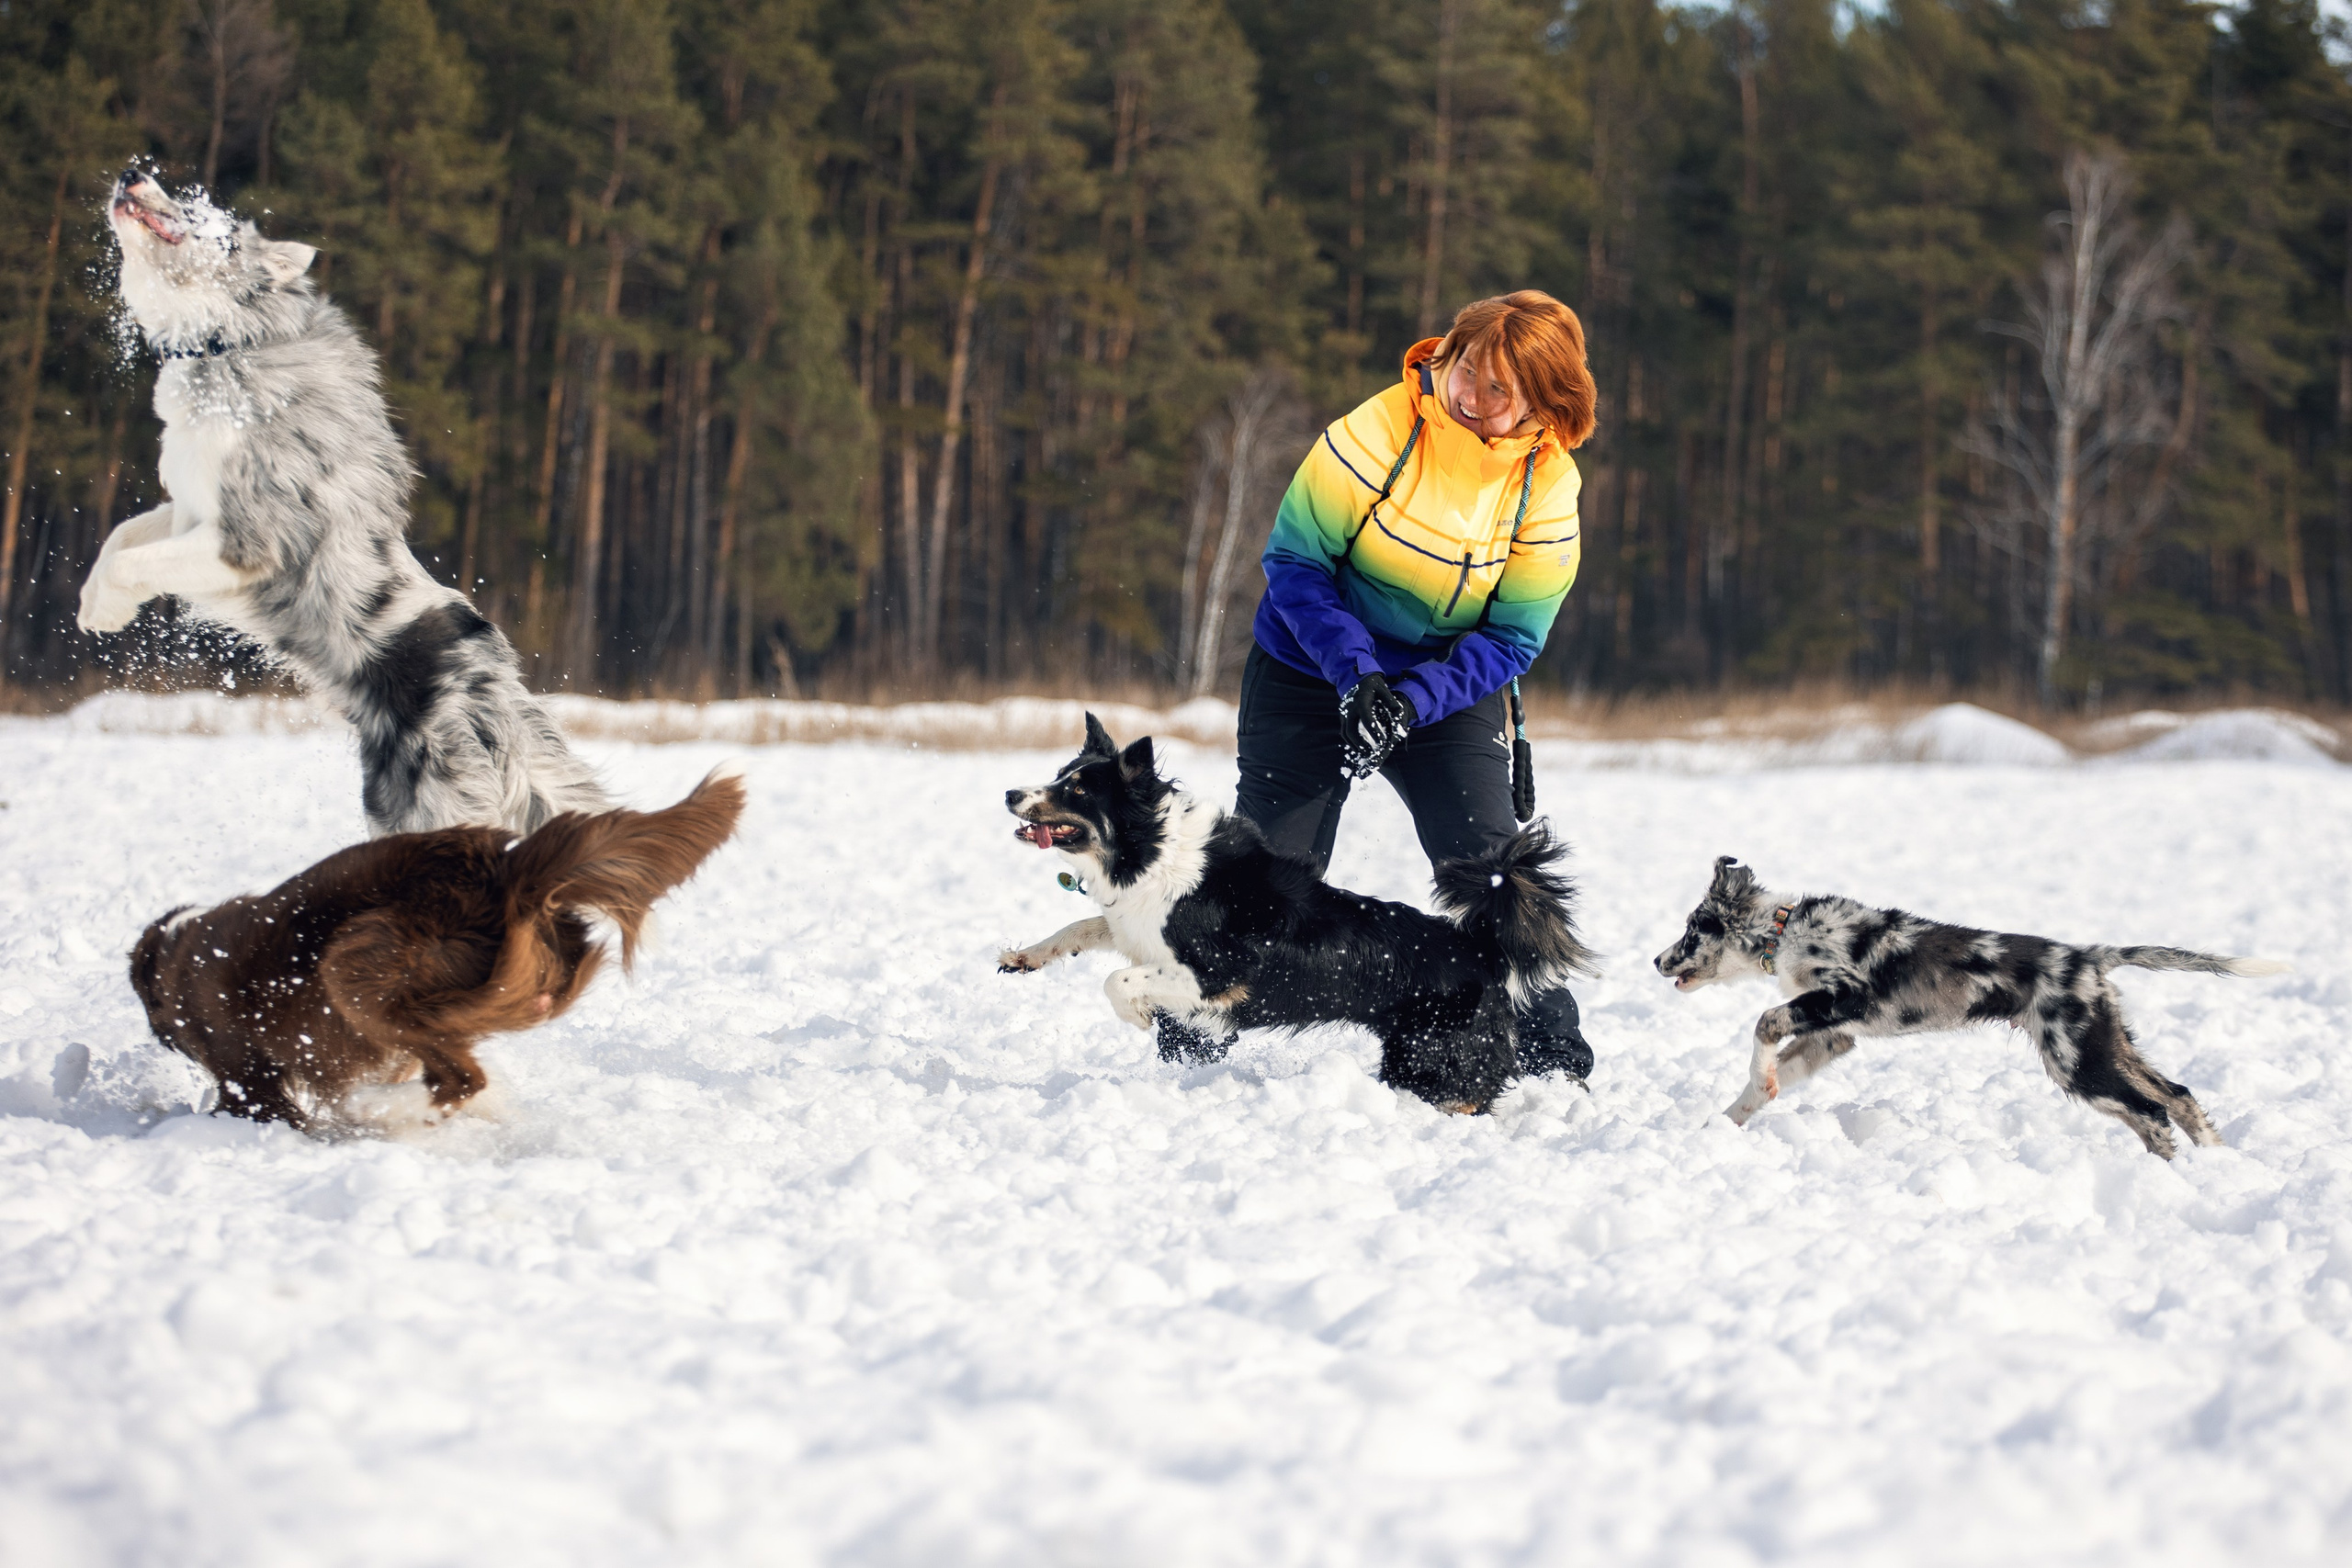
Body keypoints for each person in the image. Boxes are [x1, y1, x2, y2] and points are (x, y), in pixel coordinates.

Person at [1163, 289, 1599, 1082]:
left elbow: (1512, 635)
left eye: (1500, 390)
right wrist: (1357, 675)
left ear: (1542, 403)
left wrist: (1412, 699)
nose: (1472, 396)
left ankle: (1552, 1061)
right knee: (1261, 876)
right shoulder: (1376, 430)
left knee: (1497, 870)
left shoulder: (1548, 488)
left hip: (1445, 692)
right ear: (1447, 355)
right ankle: (1187, 1052)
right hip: (1310, 667)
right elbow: (1295, 563)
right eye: (1466, 370)